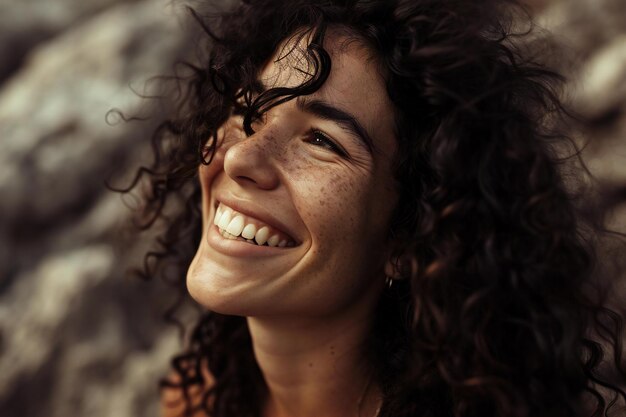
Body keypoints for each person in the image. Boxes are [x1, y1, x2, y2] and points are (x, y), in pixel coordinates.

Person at [120, 0, 626, 416]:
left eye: (321, 140)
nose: (239, 156)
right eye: (248, 108)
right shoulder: (202, 397)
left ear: (409, 236)